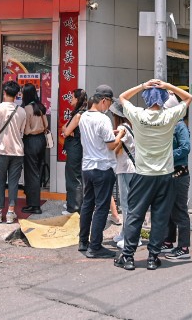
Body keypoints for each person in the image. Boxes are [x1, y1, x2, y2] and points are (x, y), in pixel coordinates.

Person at [114, 80, 192, 271]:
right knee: (160, 217)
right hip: (165, 174)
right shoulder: (169, 116)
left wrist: (142, 86)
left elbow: (123, 97)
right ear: (164, 99)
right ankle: (152, 257)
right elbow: (188, 98)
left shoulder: (138, 115)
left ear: (147, 99)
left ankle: (129, 256)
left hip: (142, 174)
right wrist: (167, 85)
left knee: (135, 214)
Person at [77, 85, 124, 259]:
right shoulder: (103, 119)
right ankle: (95, 246)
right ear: (104, 100)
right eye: (109, 103)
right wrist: (120, 134)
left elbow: (96, 137)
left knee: (87, 204)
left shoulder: (83, 117)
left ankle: (83, 242)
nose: (109, 107)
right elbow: (111, 145)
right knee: (102, 207)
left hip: (87, 167)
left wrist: (111, 134)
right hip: (103, 168)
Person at [0, 81, 27, 224]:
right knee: (14, 183)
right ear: (17, 95)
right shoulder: (22, 111)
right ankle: (10, 212)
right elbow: (22, 131)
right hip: (17, 151)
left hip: (0, 151)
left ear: (4, 93)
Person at [161, 102, 191, 260]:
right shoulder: (169, 125)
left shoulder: (180, 126)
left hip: (180, 173)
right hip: (170, 172)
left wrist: (167, 154)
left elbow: (186, 147)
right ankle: (168, 241)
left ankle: (184, 247)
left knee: (180, 210)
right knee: (169, 209)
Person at [110, 100, 136, 249]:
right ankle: (124, 233)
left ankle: (129, 236)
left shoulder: (122, 128)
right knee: (127, 203)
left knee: (127, 204)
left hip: (127, 169)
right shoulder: (128, 126)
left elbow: (114, 146)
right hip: (127, 168)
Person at [21, 84, 49, 215]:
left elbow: (26, 130)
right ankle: (33, 202)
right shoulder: (40, 106)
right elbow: (46, 125)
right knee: (37, 171)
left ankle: (34, 205)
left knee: (31, 173)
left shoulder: (26, 109)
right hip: (41, 140)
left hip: (30, 141)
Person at [61, 89, 87, 215]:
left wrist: (68, 131)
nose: (70, 99)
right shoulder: (80, 113)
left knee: (73, 177)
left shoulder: (78, 115)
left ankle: (74, 207)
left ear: (78, 99)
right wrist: (67, 130)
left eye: (72, 97)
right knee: (74, 176)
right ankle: (72, 202)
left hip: (75, 147)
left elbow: (65, 131)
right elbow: (64, 128)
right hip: (76, 146)